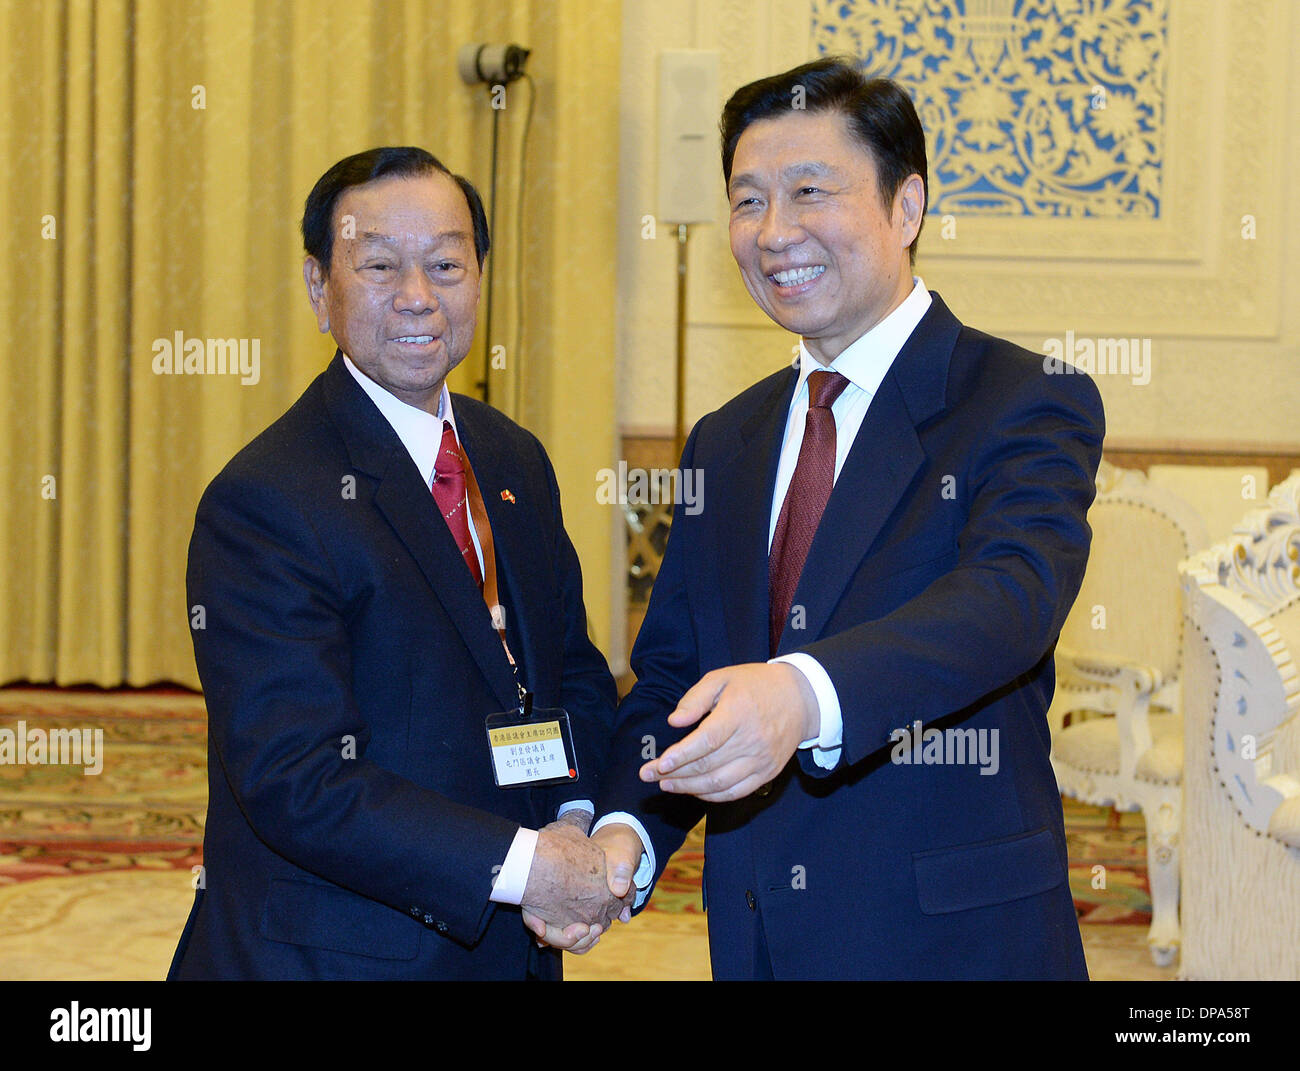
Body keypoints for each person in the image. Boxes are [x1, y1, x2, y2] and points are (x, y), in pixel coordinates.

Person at [584, 58, 1105, 980]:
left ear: (906, 209)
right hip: (758, 938)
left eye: (809, 191)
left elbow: (1008, 601)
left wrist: (803, 692)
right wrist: (626, 827)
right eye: (747, 202)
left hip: (951, 938)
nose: (773, 232)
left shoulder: (1021, 399)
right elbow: (676, 668)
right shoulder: (724, 439)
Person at [168, 147, 626, 980]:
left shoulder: (511, 457)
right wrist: (529, 866)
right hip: (338, 953)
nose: (418, 295)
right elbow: (297, 778)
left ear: (480, 277)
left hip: (509, 944)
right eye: (380, 264)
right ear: (319, 287)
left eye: (446, 263)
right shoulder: (267, 498)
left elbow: (573, 675)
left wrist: (573, 812)